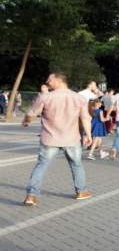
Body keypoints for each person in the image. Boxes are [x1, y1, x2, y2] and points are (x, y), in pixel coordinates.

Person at [21, 73, 93, 206]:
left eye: (50, 79)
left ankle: (31, 196)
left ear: (59, 80)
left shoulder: (46, 97)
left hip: (50, 139)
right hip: (72, 139)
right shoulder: (79, 98)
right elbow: (85, 118)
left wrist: (26, 121)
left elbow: (31, 114)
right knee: (76, 165)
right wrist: (88, 135)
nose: (47, 81)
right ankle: (81, 192)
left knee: (41, 165)